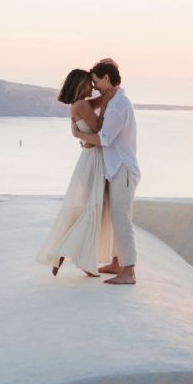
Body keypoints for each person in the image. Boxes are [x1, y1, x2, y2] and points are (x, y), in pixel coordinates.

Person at [36, 69, 115, 277]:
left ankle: (63, 253)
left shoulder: (80, 104)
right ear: (81, 85)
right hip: (93, 160)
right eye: (90, 83)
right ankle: (82, 259)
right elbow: (98, 128)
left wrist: (106, 95)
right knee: (92, 208)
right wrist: (78, 134)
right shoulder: (81, 105)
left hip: (89, 158)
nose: (92, 86)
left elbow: (98, 104)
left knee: (87, 208)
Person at [71, 58, 140, 285]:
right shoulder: (113, 101)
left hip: (122, 169)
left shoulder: (119, 104)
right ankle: (117, 261)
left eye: (96, 81)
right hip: (114, 169)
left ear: (107, 78)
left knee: (122, 219)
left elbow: (104, 138)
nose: (94, 86)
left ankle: (128, 271)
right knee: (115, 217)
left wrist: (78, 135)